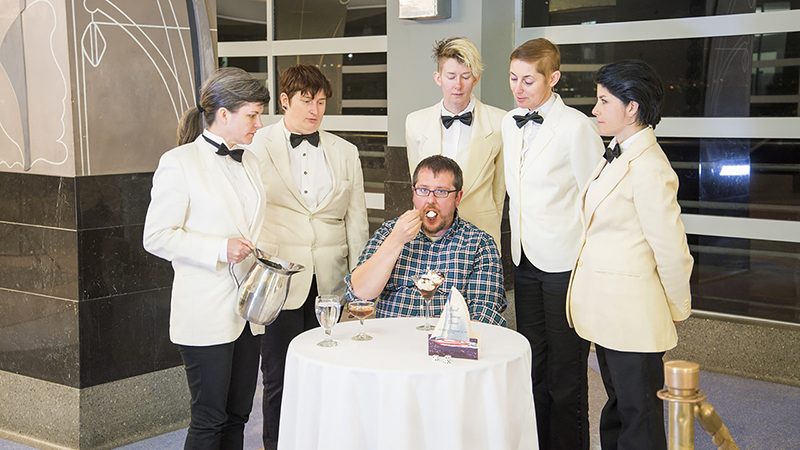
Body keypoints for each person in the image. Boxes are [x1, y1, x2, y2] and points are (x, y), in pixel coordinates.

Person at [567, 59, 693, 450]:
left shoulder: (650, 167)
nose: (595, 109)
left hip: (634, 314)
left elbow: (672, 249)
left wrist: (675, 307)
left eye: (604, 101)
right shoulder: (617, 153)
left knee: (640, 418)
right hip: (609, 313)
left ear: (632, 107)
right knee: (619, 408)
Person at [142, 67, 270, 450]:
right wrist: (219, 248)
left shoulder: (251, 162)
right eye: (252, 114)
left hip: (249, 314)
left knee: (238, 417)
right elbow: (156, 236)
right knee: (209, 420)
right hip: (205, 313)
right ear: (224, 113)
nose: (259, 124)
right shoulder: (179, 162)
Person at [248, 64, 369, 450]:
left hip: (331, 284)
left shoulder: (346, 152)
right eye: (306, 100)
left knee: (330, 372)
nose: (315, 110)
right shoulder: (256, 145)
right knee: (279, 377)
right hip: (281, 282)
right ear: (284, 101)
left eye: (320, 101)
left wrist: (361, 282)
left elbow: (357, 221)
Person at [501, 38, 605, 450]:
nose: (519, 87)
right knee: (534, 367)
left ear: (553, 78)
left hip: (565, 264)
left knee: (566, 374)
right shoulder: (510, 123)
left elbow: (595, 199)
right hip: (525, 260)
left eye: (528, 79)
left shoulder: (577, 127)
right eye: (513, 78)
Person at [346, 155, 506, 326]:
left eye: (441, 192)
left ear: (457, 198)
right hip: (390, 344)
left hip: (448, 347)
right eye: (423, 190)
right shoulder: (389, 232)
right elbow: (360, 294)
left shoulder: (479, 245)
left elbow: (485, 317)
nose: (430, 200)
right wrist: (396, 240)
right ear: (413, 194)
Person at [405, 37, 506, 247]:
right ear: (438, 77)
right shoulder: (415, 122)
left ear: (476, 78)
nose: (458, 85)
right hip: (431, 231)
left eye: (465, 76)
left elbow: (499, 191)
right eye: (451, 76)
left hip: (481, 231)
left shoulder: (500, 122)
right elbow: (419, 187)